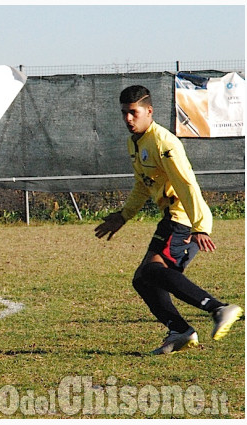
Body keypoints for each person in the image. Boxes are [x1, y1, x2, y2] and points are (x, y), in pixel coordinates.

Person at [94, 85, 243, 355]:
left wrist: (200, 227)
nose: (128, 119)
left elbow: (186, 184)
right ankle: (180, 330)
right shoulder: (136, 142)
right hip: (173, 217)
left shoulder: (164, 142)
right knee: (143, 279)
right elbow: (143, 184)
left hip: (183, 218)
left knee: (150, 273)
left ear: (148, 111)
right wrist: (123, 216)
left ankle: (218, 308)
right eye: (124, 113)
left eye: (133, 113)